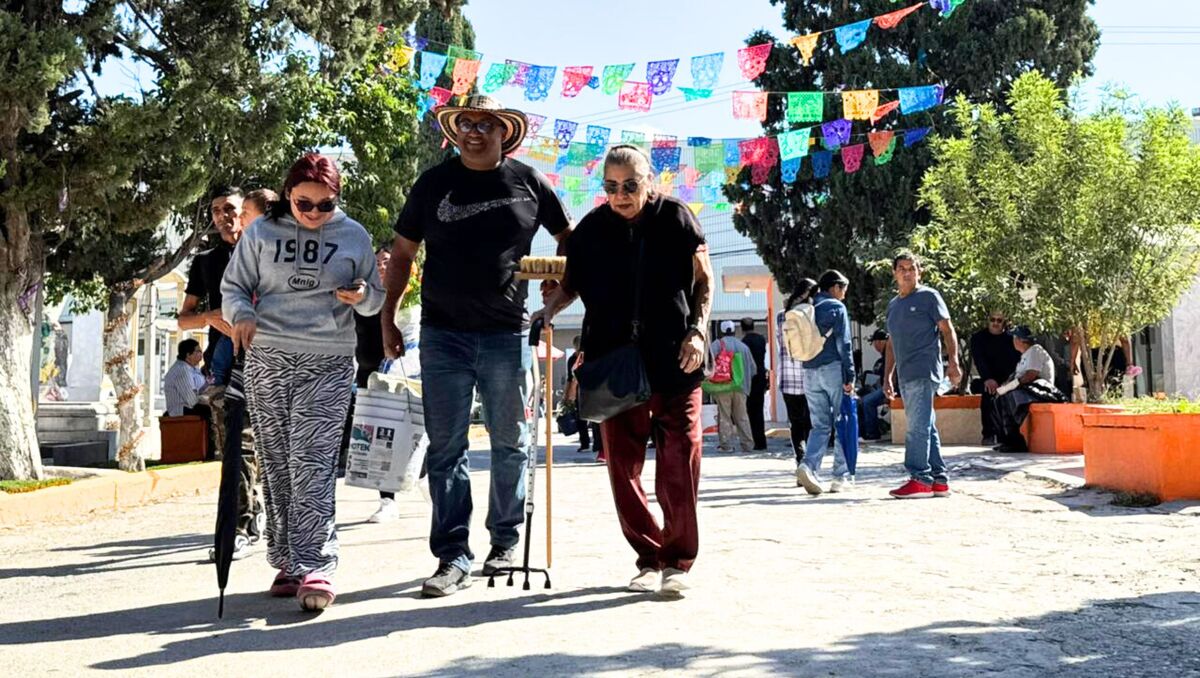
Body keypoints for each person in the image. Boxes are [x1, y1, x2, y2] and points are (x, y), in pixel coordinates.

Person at [380, 95, 573, 598]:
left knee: (511, 442)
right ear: (454, 128)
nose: (474, 131)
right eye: (466, 122)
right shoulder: (433, 183)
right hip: (442, 335)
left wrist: (559, 290)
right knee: (446, 450)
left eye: (486, 124)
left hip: (508, 336)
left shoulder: (530, 182)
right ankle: (452, 556)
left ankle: (505, 543)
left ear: (503, 132)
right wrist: (388, 317)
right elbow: (402, 254)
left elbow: (572, 241)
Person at [536, 144, 714, 595]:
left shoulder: (677, 217)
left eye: (630, 185)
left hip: (676, 359)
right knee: (621, 466)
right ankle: (649, 556)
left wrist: (698, 330)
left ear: (649, 181)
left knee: (679, 461)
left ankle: (678, 560)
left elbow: (705, 280)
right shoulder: (592, 230)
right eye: (611, 187)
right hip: (612, 361)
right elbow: (570, 285)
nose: (621, 195)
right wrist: (550, 308)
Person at [223, 152, 384, 611]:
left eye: (324, 205)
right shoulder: (259, 232)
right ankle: (288, 559)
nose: (313, 213)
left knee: (311, 461)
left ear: (337, 200)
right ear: (287, 195)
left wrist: (362, 295)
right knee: (277, 463)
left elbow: (375, 299)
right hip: (268, 357)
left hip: (328, 360)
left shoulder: (354, 236)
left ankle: (317, 564)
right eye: (303, 203)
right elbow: (233, 288)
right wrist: (243, 315)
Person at [179, 186, 262, 557]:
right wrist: (209, 317)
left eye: (229, 208)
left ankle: (256, 510)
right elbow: (183, 320)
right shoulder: (206, 262)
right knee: (234, 447)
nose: (223, 217)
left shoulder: (267, 250)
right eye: (215, 211)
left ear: (245, 212)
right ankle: (238, 527)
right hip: (225, 368)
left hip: (270, 362)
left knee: (261, 449)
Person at [883, 253, 962, 500]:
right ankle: (939, 480)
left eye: (912, 268)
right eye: (902, 269)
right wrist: (887, 376)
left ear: (920, 272)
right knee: (925, 425)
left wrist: (954, 362)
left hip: (924, 369)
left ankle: (920, 478)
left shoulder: (929, 296)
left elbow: (947, 329)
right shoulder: (894, 305)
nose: (907, 273)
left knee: (916, 427)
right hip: (905, 374)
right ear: (895, 273)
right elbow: (892, 342)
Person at [795, 270, 856, 495]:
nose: (844, 295)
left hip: (809, 371)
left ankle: (808, 466)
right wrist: (850, 376)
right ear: (835, 287)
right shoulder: (836, 308)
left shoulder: (808, 307)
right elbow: (844, 344)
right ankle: (840, 477)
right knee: (842, 421)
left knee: (820, 425)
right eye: (844, 289)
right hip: (833, 370)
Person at [354, 247, 403, 524]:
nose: (382, 266)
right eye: (376, 263)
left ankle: (421, 474)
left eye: (387, 261)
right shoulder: (363, 298)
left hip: (402, 377)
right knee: (377, 441)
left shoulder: (406, 298)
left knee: (412, 435)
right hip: (370, 375)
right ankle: (387, 500)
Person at [993, 326, 1063, 452]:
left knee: (1010, 397)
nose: (1013, 341)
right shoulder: (1024, 355)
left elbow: (1031, 375)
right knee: (998, 399)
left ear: (1020, 340)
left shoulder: (1035, 351)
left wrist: (1009, 387)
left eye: (1014, 338)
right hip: (1027, 388)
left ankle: (1016, 442)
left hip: (1040, 390)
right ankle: (1007, 440)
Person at [777, 279, 816, 471]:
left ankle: (801, 461)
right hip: (810, 376)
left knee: (796, 424)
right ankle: (809, 465)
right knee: (810, 422)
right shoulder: (813, 315)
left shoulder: (781, 316)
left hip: (788, 378)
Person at [970, 311, 1020, 446]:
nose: (995, 323)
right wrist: (988, 378)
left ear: (1004, 323)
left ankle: (1009, 436)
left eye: (999, 320)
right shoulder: (978, 338)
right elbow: (979, 360)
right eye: (993, 320)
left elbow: (1016, 361)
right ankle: (988, 434)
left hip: (1009, 378)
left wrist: (1008, 382)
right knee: (989, 394)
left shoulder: (1011, 338)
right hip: (989, 378)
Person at [710, 321, 757, 454]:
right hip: (741, 387)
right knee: (742, 416)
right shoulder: (744, 347)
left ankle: (726, 445)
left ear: (722, 331)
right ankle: (747, 444)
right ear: (734, 331)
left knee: (725, 415)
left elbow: (707, 363)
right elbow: (753, 369)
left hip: (722, 387)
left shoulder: (717, 345)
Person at [163, 340, 214, 453]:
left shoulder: (193, 369)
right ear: (188, 355)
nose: (201, 354)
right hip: (181, 409)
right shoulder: (182, 370)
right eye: (198, 351)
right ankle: (209, 450)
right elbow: (191, 400)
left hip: (190, 405)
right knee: (210, 411)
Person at [564, 336, 604, 461]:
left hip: (586, 392)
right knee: (593, 421)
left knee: (590, 420)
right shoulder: (575, 359)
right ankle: (594, 447)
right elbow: (572, 378)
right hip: (590, 391)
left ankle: (592, 446)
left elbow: (572, 379)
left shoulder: (579, 358)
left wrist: (569, 395)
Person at [740, 318, 769, 450]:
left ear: (742, 328)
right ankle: (762, 441)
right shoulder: (761, 339)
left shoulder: (744, 343)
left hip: (750, 378)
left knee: (751, 411)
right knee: (759, 410)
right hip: (761, 376)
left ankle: (755, 441)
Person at [859, 329, 893, 442]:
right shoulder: (883, 357)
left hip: (891, 388)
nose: (875, 347)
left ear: (879, 342)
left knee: (867, 402)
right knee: (862, 397)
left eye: (874, 343)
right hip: (883, 387)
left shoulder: (890, 352)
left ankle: (872, 433)